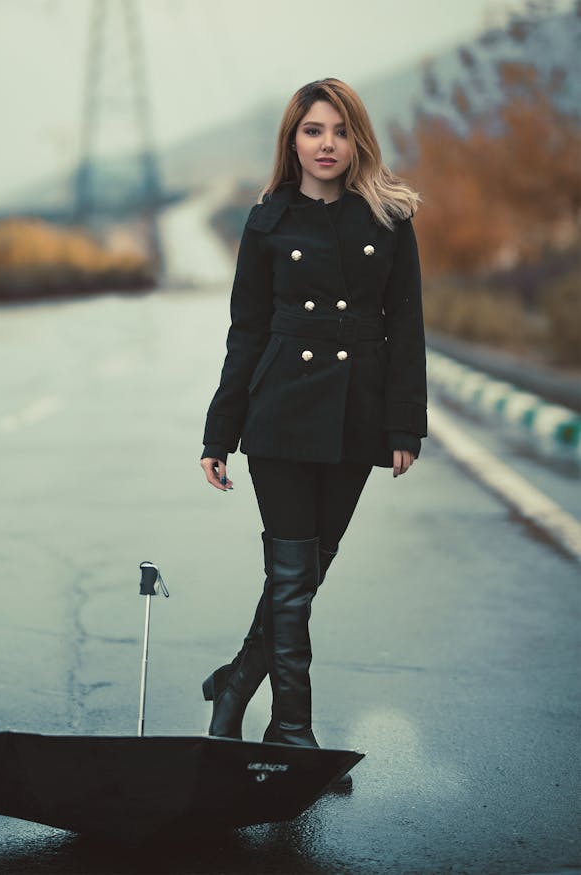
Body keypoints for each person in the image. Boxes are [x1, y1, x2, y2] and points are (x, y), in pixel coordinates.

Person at [199, 78, 427, 770]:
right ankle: (291, 729)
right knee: (293, 577)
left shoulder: (388, 218)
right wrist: (220, 433)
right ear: (292, 141)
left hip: (356, 414)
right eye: (313, 130)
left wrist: (404, 426)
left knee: (305, 574)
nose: (327, 143)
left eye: (340, 130)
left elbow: (406, 327)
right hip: (279, 413)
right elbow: (246, 331)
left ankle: (235, 683)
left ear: (357, 140)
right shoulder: (267, 220)